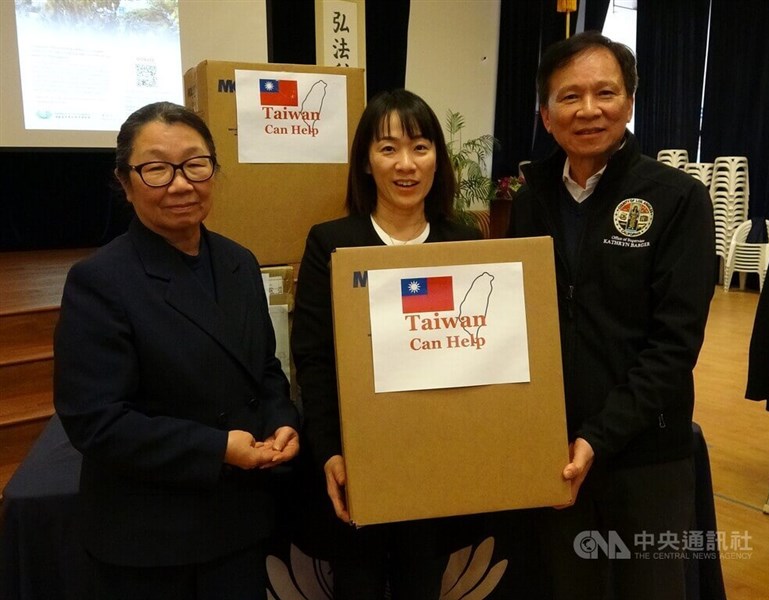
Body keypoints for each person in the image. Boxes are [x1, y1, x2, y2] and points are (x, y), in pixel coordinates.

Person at [53, 101, 300, 600]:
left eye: (195, 164)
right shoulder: (101, 281)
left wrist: (282, 419)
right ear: (125, 182)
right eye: (157, 169)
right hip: (152, 540)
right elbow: (96, 421)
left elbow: (265, 368)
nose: (182, 183)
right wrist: (217, 448)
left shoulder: (238, 261)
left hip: (239, 523)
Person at [507, 31, 716, 599]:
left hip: (647, 450)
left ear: (629, 102)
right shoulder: (530, 198)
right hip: (555, 450)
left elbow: (674, 345)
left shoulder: (676, 199)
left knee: (651, 586)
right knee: (566, 585)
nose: (589, 109)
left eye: (606, 92)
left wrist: (599, 436)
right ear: (545, 116)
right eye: (570, 96)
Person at [290, 89, 483, 599]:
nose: (406, 164)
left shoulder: (464, 245)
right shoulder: (331, 243)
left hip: (441, 461)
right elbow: (313, 357)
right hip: (361, 462)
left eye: (420, 147)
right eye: (388, 148)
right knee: (358, 583)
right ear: (365, 161)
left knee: (424, 582)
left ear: (438, 159)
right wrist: (330, 450)